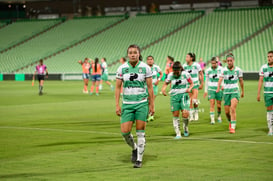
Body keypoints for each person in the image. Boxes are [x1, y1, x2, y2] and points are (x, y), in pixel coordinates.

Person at [115, 44, 154, 168]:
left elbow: (150, 87)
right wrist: (117, 105)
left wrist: (151, 104)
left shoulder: (145, 68)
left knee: (140, 132)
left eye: (135, 52)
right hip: (127, 104)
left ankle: (139, 160)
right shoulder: (122, 68)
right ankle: (134, 148)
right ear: (127, 54)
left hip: (141, 104)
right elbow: (117, 88)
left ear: (138, 54)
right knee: (125, 132)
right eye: (130, 52)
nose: (132, 54)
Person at [161, 61, 193, 139]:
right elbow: (165, 83)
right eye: (174, 71)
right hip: (174, 96)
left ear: (180, 69)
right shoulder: (170, 75)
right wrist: (163, 90)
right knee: (175, 115)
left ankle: (185, 128)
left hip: (184, 95)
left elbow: (191, 83)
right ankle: (178, 133)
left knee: (185, 113)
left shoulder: (185, 74)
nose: (175, 72)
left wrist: (189, 88)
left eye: (177, 71)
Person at [216, 53, 244, 134]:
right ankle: (230, 122)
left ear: (233, 61)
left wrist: (242, 91)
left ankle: (232, 127)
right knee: (227, 112)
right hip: (226, 92)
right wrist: (218, 87)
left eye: (230, 61)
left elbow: (241, 81)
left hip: (235, 91)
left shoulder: (238, 70)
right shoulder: (223, 70)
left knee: (232, 109)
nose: (229, 62)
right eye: (228, 61)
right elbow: (220, 79)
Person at [183, 53, 204, 121]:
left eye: (187, 57)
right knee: (190, 101)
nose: (186, 58)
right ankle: (191, 116)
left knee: (193, 100)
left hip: (195, 84)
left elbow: (201, 74)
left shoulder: (196, 65)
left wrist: (202, 83)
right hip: (188, 85)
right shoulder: (184, 66)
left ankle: (196, 113)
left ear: (191, 58)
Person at [257, 50, 273, 136]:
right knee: (269, 111)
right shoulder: (263, 67)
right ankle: (270, 129)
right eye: (268, 56)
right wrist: (258, 93)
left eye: (271, 56)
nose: (269, 58)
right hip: (268, 92)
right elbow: (260, 81)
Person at [203, 57, 223, 124]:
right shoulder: (208, 70)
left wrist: (223, 86)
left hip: (219, 89)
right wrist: (205, 90)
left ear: (217, 63)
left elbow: (223, 78)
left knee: (219, 105)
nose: (213, 65)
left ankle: (219, 115)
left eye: (214, 63)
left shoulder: (221, 69)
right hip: (211, 89)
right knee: (212, 104)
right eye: (212, 63)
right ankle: (212, 119)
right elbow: (206, 81)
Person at [146, 55, 163, 121]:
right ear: (147, 61)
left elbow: (161, 74)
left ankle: (151, 115)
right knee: (147, 101)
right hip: (146, 86)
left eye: (151, 59)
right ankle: (147, 114)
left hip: (154, 86)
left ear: (153, 60)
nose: (150, 61)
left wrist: (158, 80)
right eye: (148, 59)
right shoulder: (145, 67)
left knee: (152, 101)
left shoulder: (156, 67)